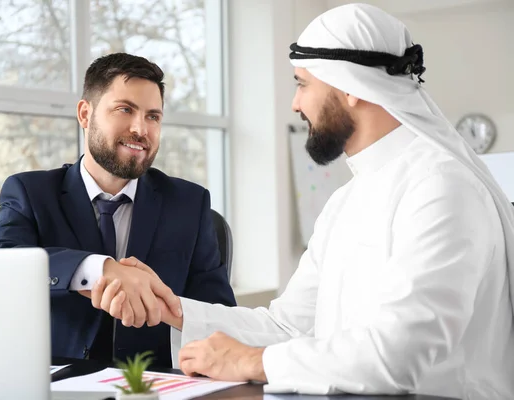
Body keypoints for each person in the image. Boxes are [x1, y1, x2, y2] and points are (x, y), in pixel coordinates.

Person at [88, 4, 514, 399]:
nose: (296, 103)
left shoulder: (441, 187)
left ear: (351, 87)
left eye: (303, 84)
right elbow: (289, 325)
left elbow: (400, 353)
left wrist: (252, 361)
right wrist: (175, 308)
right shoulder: (347, 199)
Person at [0, 52, 236, 368]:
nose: (140, 129)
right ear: (85, 114)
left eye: (153, 116)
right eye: (125, 109)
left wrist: (169, 308)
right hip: (55, 386)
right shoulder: (31, 193)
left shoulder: (189, 203)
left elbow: (220, 315)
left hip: (153, 385)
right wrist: (95, 270)